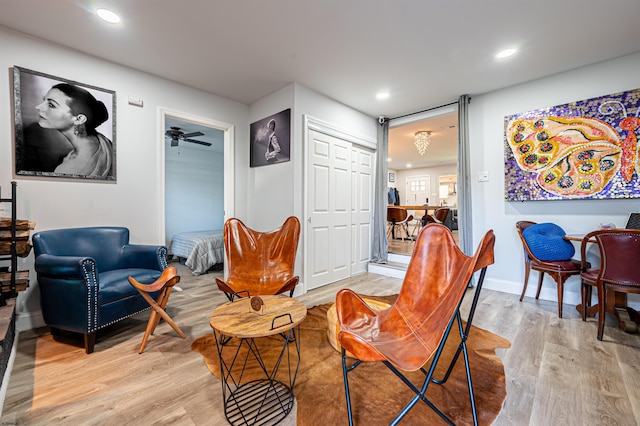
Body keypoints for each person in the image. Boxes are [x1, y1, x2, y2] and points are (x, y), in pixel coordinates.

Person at [35, 83, 113, 177]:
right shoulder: (100, 143)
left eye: (51, 105)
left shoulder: (69, 170)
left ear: (79, 119)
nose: (38, 107)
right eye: (44, 101)